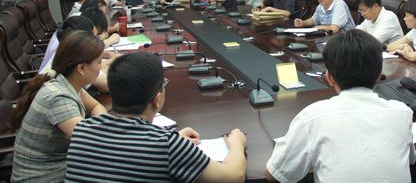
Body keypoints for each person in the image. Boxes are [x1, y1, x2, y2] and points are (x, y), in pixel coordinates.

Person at [65, 52, 247, 183]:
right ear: (157, 99)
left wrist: (174, 140)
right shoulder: (167, 146)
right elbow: (234, 176)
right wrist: (236, 143)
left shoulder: (82, 131)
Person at [265, 30, 416, 183]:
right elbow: (410, 159)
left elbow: (274, 175)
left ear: (329, 78)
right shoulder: (403, 113)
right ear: (379, 75)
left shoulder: (312, 118)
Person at [10, 31, 107, 183]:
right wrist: (100, 126)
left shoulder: (67, 82)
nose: (101, 68)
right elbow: (93, 144)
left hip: (60, 167)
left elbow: (96, 106)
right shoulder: (58, 98)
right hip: (43, 177)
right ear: (81, 68)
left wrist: (99, 124)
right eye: (99, 62)